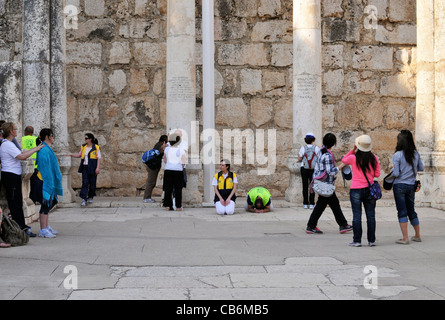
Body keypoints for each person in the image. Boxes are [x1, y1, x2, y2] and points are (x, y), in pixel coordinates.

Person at [0, 122, 44, 237]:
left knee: (17, 203)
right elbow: (21, 156)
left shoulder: (8, 144)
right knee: (15, 204)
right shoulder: (7, 144)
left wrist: (34, 149)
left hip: (12, 175)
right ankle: (20, 229)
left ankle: (21, 227)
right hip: (10, 176)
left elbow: (21, 153)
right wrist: (36, 149)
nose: (16, 130)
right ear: (10, 131)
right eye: (15, 129)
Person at [305, 133, 352, 234]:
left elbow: (326, 164)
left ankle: (343, 225)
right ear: (333, 143)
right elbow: (330, 171)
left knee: (333, 204)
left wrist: (339, 159)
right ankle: (311, 226)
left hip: (323, 183)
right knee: (322, 206)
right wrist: (342, 165)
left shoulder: (322, 152)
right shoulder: (328, 155)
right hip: (325, 184)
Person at [342, 135, 381, 247]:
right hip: (369, 189)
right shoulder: (374, 158)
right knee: (371, 215)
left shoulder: (353, 158)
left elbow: (344, 159)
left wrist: (352, 150)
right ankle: (371, 240)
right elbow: (377, 174)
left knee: (357, 215)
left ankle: (357, 240)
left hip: (356, 189)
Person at [391, 130, 424, 245]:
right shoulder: (416, 153)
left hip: (399, 185)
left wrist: (392, 171)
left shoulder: (397, 155)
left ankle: (405, 238)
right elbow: (421, 168)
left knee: (402, 211)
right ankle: (417, 235)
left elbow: (395, 173)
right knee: (411, 210)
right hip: (411, 185)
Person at [33, 128, 63, 238]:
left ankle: (46, 226)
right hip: (43, 181)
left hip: (46, 180)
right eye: (51, 135)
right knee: (45, 205)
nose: (53, 137)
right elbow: (44, 167)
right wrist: (49, 180)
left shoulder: (46, 148)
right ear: (47, 137)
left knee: (47, 205)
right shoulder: (44, 150)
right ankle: (43, 229)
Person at [68, 133, 101, 206]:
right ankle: (84, 198)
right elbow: (79, 155)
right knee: (85, 183)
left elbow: (99, 158)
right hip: (85, 167)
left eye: (86, 138)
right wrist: (71, 155)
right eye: (85, 138)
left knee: (92, 184)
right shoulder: (83, 147)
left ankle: (90, 196)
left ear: (90, 139)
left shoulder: (96, 147)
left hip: (92, 167)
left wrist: (97, 168)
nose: (85, 140)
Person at [163, 132, 186, 211]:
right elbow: (183, 162)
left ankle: (167, 206)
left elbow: (165, 160)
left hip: (168, 170)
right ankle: (178, 206)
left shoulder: (167, 149)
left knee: (168, 188)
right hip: (178, 170)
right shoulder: (181, 150)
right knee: (178, 189)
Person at [298, 133, 320, 209]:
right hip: (313, 169)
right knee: (312, 186)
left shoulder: (303, 148)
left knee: (305, 186)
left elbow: (299, 158)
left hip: (304, 168)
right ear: (313, 140)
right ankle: (311, 203)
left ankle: (305, 203)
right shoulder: (316, 148)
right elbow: (319, 158)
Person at [143, 135, 168, 203]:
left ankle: (147, 197)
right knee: (151, 182)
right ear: (164, 142)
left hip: (152, 166)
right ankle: (146, 198)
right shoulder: (160, 146)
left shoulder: (158, 144)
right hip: (152, 167)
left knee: (151, 182)